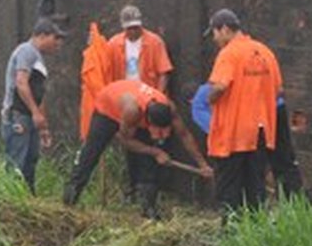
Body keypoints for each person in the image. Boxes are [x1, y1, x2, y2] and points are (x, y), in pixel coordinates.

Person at [62, 79, 212, 219]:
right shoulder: (132, 111)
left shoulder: (168, 106)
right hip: (107, 109)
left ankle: (148, 209)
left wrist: (202, 164)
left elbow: (185, 135)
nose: (158, 133)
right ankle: (69, 200)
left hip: (134, 109)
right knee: (90, 154)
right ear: (148, 120)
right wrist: (156, 152)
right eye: (155, 128)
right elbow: (125, 140)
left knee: (148, 160)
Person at [203, 8, 283, 212]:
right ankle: (254, 233)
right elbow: (278, 89)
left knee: (229, 187)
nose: (214, 39)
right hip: (261, 131)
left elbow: (220, 86)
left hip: (234, 133)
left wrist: (210, 99)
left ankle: (231, 234)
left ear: (224, 29)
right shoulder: (265, 52)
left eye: (214, 33)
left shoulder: (229, 53)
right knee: (256, 186)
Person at [107, 4, 174, 201]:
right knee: (129, 143)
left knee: (149, 143)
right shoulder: (113, 45)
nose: (134, 31)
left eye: (136, 27)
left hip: (149, 100)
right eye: (129, 28)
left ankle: (150, 191)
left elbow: (164, 72)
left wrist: (156, 98)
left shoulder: (154, 42)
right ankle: (132, 188)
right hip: (127, 102)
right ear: (123, 28)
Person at [0, 17, 68, 194]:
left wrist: (43, 126)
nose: (57, 44)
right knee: (16, 164)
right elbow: (21, 83)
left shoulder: (38, 58)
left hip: (28, 117)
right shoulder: (27, 51)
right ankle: (10, 205)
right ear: (43, 35)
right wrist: (35, 113)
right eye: (55, 38)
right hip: (18, 116)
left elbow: (39, 95)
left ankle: (27, 203)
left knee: (30, 163)